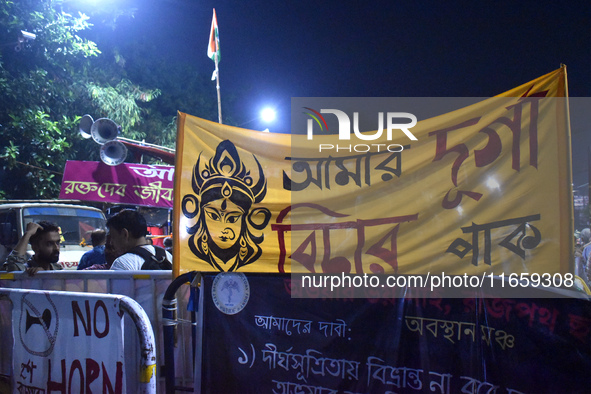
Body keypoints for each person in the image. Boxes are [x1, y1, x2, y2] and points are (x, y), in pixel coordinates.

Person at [107, 209, 172, 270]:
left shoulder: (122, 263)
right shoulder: (167, 256)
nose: (111, 242)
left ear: (125, 234)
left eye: (113, 237)